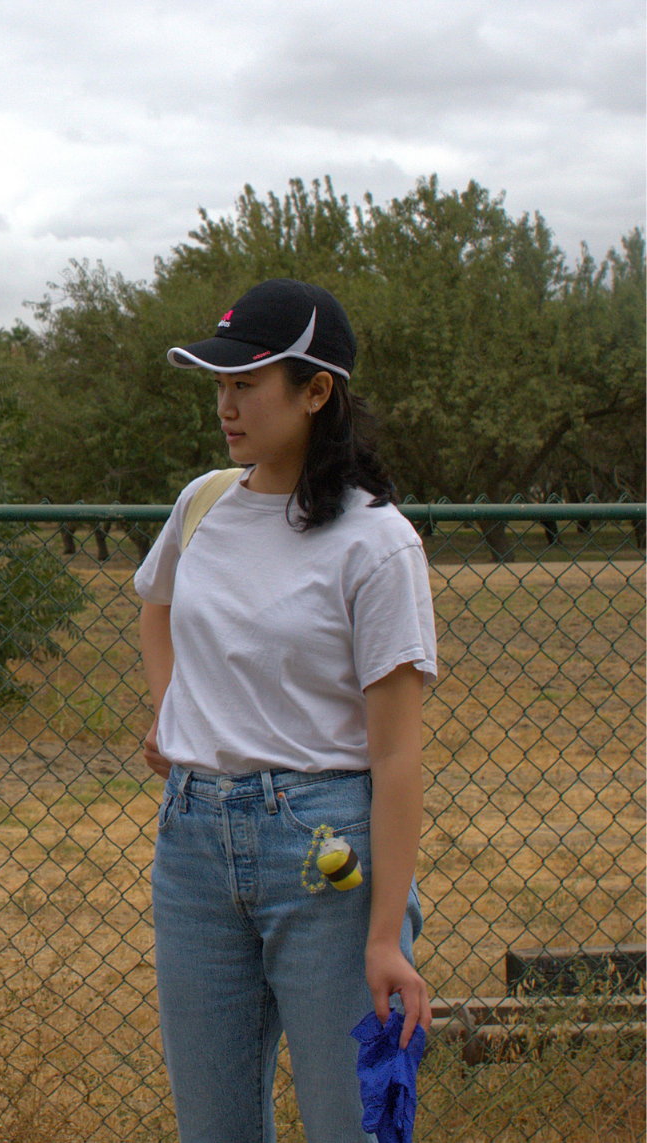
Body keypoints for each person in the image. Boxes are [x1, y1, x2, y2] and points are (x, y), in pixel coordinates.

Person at [134, 278, 436, 1142]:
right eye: (219, 385)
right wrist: (174, 709)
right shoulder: (204, 503)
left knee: (357, 1125)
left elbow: (398, 758)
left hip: (326, 859)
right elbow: (158, 603)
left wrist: (386, 936)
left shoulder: (376, 543)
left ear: (316, 391)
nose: (227, 406)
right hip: (191, 845)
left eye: (248, 384)